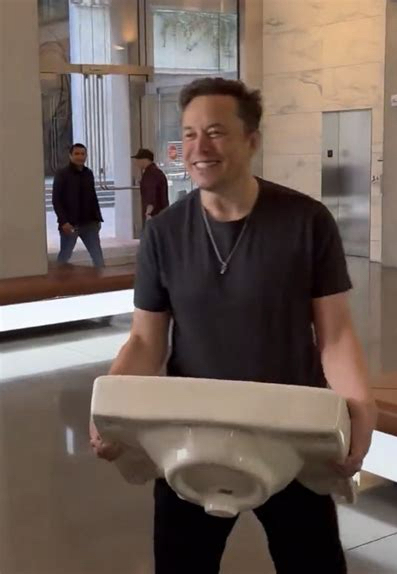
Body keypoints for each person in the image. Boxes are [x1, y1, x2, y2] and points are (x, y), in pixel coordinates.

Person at [90, 78, 377, 573]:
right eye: (189, 134)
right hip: (188, 430)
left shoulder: (306, 221)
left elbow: (333, 334)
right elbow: (145, 339)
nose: (199, 147)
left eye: (216, 132)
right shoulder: (164, 233)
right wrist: (109, 405)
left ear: (252, 140)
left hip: (288, 428)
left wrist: (360, 406)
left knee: (313, 564)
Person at [52, 143, 105, 268]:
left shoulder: (88, 173)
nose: (80, 157)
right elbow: (56, 200)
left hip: (89, 223)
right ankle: (59, 279)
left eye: (83, 154)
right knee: (64, 255)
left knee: (98, 256)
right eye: (76, 154)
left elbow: (93, 197)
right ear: (70, 156)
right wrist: (63, 221)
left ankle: (101, 279)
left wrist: (97, 218)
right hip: (70, 224)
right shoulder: (62, 174)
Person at [131, 148, 169, 225]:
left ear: (144, 160)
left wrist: (148, 213)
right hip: (161, 214)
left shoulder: (150, 174)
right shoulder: (156, 172)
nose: (136, 162)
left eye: (138, 159)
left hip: (154, 216)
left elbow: (151, 195)